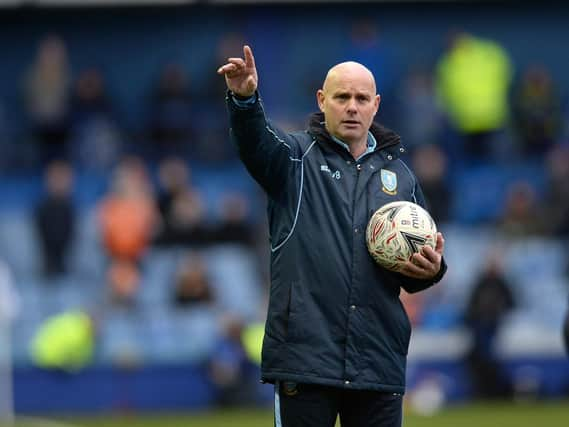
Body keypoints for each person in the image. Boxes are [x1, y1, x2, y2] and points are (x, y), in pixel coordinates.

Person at [218, 46, 446, 427]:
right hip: (305, 360)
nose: (352, 107)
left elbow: (412, 270)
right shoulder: (293, 159)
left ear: (376, 105)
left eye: (360, 99)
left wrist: (432, 269)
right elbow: (254, 142)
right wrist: (244, 100)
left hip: (377, 360)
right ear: (323, 101)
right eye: (342, 97)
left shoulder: (401, 177)